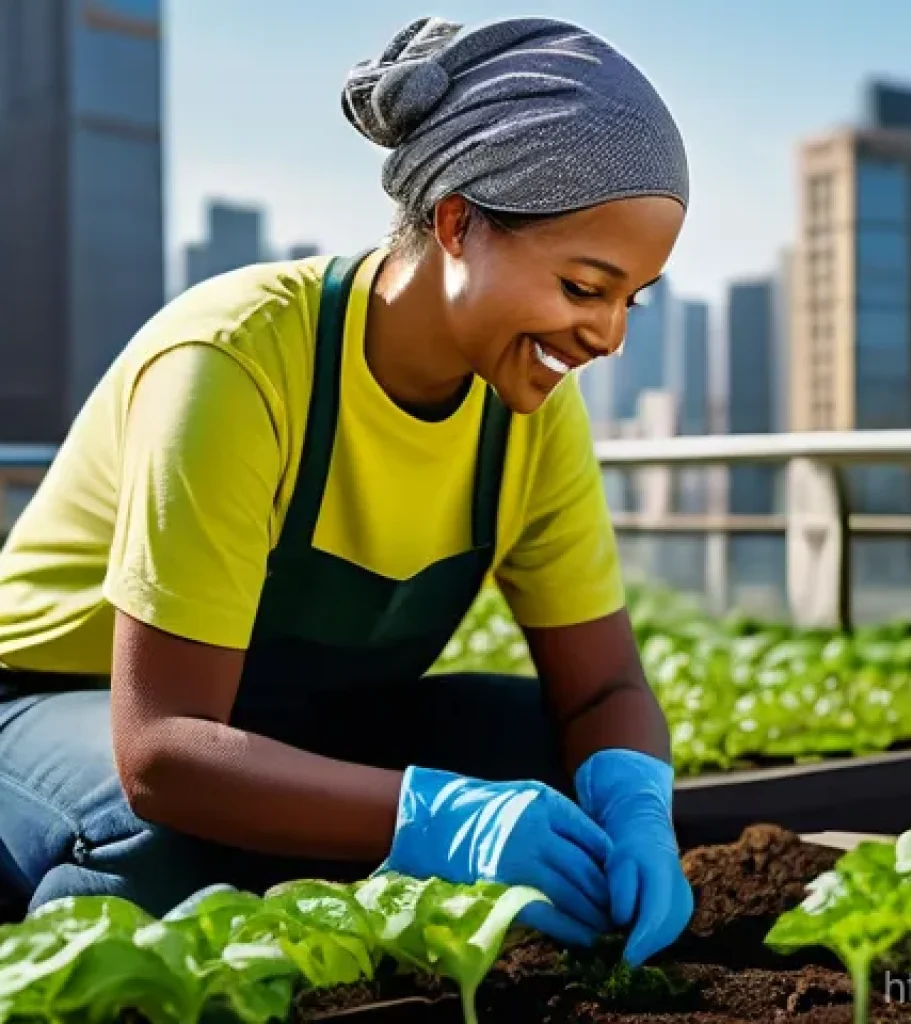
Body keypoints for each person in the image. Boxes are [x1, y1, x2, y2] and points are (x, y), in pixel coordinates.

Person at [0, 15, 693, 966]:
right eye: (584, 286)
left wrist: (637, 805)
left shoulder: (530, 416)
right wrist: (436, 820)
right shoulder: (238, 362)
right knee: (160, 839)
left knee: (552, 754)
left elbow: (605, 684)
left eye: (631, 299)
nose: (609, 335)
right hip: (60, 708)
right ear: (458, 222)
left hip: (274, 722)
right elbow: (162, 748)